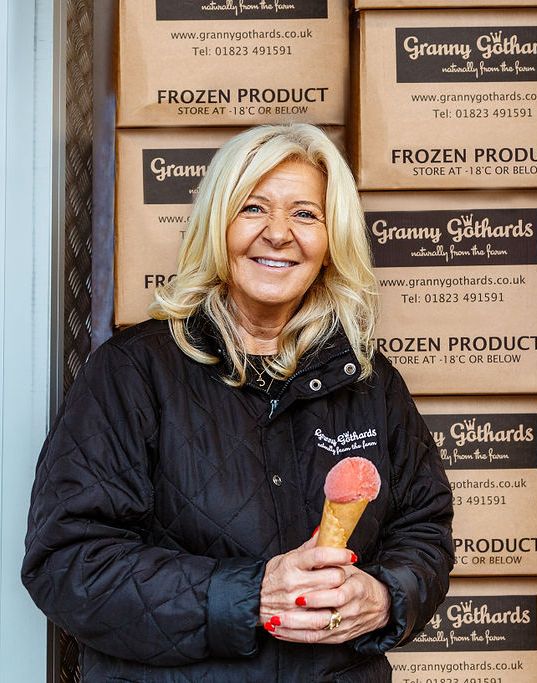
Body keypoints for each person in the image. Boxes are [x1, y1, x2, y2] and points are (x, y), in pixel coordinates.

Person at [21, 123, 455, 681]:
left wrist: (387, 595)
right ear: (216, 227)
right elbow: (69, 564)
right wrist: (251, 595)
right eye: (253, 208)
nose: (279, 234)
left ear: (331, 243)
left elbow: (424, 528)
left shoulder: (368, 381)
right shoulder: (134, 372)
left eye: (305, 214)